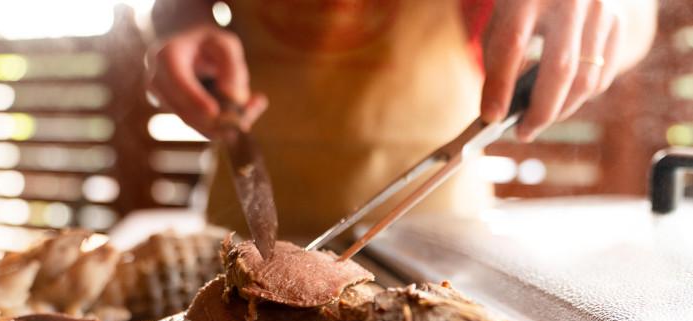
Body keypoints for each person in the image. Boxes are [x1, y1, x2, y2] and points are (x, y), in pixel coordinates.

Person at [147, 0, 657, 239]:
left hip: (438, 230)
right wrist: (182, 27)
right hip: (243, 220)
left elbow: (634, 17)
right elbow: (176, 7)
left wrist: (615, 10)